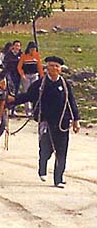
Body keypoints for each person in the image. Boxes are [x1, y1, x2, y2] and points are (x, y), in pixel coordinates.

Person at [9, 56, 80, 188]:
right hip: (46, 122)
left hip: (62, 123)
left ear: (60, 69)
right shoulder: (40, 84)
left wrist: (76, 120)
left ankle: (58, 178)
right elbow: (28, 96)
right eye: (51, 66)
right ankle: (42, 168)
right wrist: (12, 100)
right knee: (46, 149)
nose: (54, 68)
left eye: (57, 66)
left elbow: (72, 102)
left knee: (61, 151)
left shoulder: (64, 84)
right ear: (46, 68)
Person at [18, 41, 44, 117]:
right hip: (26, 76)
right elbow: (19, 67)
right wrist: (22, 75)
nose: (33, 51)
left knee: (36, 92)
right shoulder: (24, 56)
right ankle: (27, 110)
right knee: (27, 92)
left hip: (34, 75)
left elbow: (39, 67)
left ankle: (35, 109)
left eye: (34, 49)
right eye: (31, 49)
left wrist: (42, 76)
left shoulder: (37, 56)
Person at [3, 40, 23, 116]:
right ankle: (8, 108)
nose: (17, 47)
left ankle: (14, 109)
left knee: (16, 92)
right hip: (10, 74)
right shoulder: (8, 54)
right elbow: (6, 63)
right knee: (10, 90)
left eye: (19, 46)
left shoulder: (21, 55)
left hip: (18, 75)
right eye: (16, 45)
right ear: (13, 46)